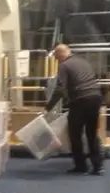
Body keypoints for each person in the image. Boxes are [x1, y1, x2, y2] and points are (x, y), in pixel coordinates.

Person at [44, 44, 104, 175]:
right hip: (95, 97)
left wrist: (48, 107)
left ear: (60, 55)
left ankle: (81, 165)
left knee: (75, 133)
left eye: (56, 57)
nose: (56, 60)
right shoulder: (83, 61)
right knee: (92, 133)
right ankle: (98, 165)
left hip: (80, 100)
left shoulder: (64, 66)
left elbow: (60, 88)